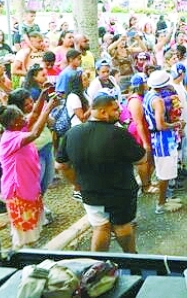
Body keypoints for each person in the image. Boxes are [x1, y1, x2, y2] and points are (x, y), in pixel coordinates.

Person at [56, 89, 146, 253]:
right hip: (120, 192)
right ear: (104, 112)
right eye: (115, 109)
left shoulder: (72, 133)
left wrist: (77, 184)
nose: (119, 112)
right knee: (123, 226)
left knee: (100, 227)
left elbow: (61, 166)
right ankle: (132, 259)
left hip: (90, 193)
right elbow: (141, 159)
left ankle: (97, 264)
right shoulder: (119, 134)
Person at [0, 99, 57, 247]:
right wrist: (48, 108)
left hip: (28, 187)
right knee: (23, 231)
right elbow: (36, 133)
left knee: (31, 226)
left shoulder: (17, 130)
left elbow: (35, 114)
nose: (25, 118)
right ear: (14, 123)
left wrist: (43, 95)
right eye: (21, 118)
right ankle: (23, 257)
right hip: (19, 191)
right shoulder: (11, 138)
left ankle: (31, 251)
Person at [143, 70, 184, 214]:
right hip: (163, 139)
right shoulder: (158, 101)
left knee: (165, 171)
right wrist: (176, 124)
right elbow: (160, 125)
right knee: (164, 174)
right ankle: (161, 204)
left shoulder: (149, 95)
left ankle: (164, 199)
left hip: (159, 138)